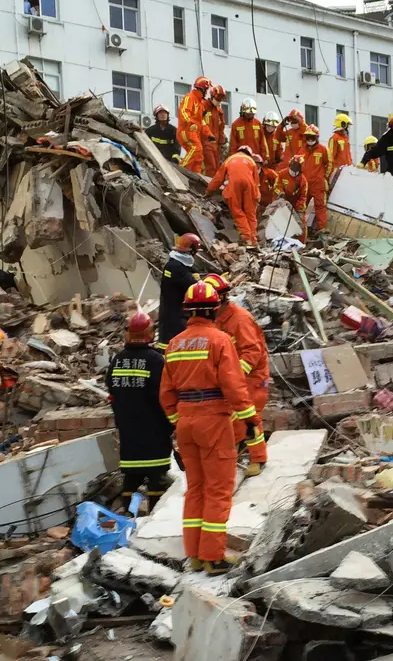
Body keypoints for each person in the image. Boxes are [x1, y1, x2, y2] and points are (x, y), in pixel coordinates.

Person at [159, 281, 260, 575]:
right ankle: (213, 557)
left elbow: (165, 393)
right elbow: (234, 385)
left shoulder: (175, 344)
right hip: (213, 420)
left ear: (187, 311)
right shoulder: (219, 340)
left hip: (186, 422)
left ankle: (194, 554)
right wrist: (249, 419)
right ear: (215, 309)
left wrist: (179, 420)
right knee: (218, 489)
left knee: (196, 489)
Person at [203, 274, 270, 476]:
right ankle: (240, 449)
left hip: (252, 378)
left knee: (248, 417)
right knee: (230, 419)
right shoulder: (215, 320)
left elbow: (252, 352)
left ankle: (258, 458)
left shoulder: (240, 320)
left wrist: (235, 375)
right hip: (231, 378)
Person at [106, 311, 173, 512]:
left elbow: (111, 390)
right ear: (150, 333)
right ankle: (154, 516)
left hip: (128, 430)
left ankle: (127, 515)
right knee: (156, 478)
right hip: (154, 431)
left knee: (132, 476)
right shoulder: (156, 361)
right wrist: (170, 424)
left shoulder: (118, 360)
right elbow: (165, 396)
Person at [207, 147, 260, 246]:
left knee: (237, 210)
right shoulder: (251, 161)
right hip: (250, 186)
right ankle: (253, 240)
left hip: (235, 185)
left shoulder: (230, 159)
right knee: (250, 213)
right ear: (249, 153)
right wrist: (256, 195)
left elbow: (218, 179)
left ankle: (246, 237)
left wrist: (209, 191)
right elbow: (256, 181)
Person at [157, 234, 202, 349]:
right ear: (193, 250)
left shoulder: (174, 263)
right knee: (175, 345)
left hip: (171, 311)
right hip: (176, 314)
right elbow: (194, 286)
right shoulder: (176, 267)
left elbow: (190, 273)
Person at [296, 124, 332, 234]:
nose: (310, 140)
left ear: (316, 138)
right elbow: (297, 164)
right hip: (304, 184)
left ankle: (321, 229)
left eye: (312, 137)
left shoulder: (323, 149)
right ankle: (298, 229)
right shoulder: (302, 150)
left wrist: (324, 177)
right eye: (308, 137)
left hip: (318, 184)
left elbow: (329, 164)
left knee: (320, 207)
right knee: (300, 207)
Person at [177, 77, 212, 174]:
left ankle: (196, 175)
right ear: (203, 88)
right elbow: (184, 111)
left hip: (193, 133)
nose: (207, 92)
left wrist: (209, 134)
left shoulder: (200, 103)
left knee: (199, 156)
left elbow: (201, 121)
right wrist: (190, 123)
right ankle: (181, 170)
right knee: (196, 148)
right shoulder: (190, 97)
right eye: (207, 89)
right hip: (185, 131)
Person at [202, 85, 228, 177]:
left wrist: (222, 141)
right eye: (218, 98)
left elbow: (221, 128)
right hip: (205, 144)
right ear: (212, 96)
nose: (219, 100)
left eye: (221, 99)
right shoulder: (203, 107)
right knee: (210, 167)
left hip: (216, 145)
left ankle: (213, 187)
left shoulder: (220, 111)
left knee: (217, 167)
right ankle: (208, 187)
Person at [328, 113, 353, 178]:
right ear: (343, 124)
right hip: (338, 172)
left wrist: (351, 166)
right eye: (347, 126)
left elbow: (348, 155)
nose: (348, 128)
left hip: (347, 171)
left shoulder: (345, 138)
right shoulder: (334, 138)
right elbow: (330, 157)